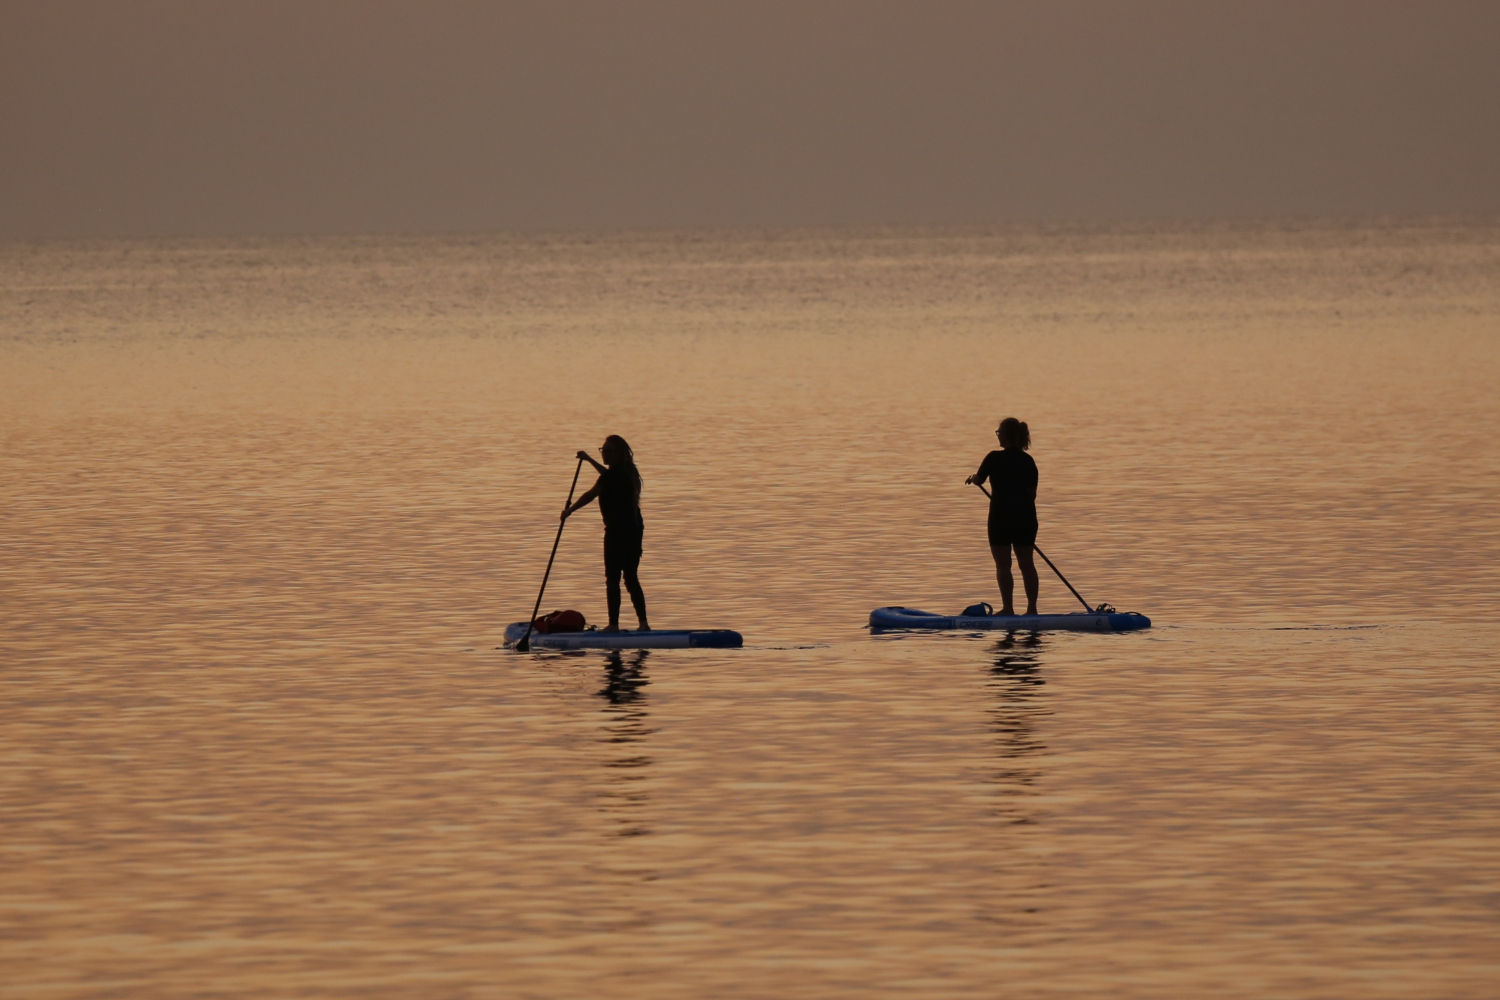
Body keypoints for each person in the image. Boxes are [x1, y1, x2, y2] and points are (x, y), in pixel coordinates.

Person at [562, 435, 650, 631]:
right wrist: (589, 460)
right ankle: (643, 624)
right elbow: (607, 475)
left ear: (619, 454)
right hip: (634, 532)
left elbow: (590, 495)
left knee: (613, 579)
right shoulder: (628, 473)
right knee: (630, 577)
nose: (605, 454)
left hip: (618, 533)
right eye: (603, 451)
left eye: (609, 451)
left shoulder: (611, 477)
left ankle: (614, 625)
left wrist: (570, 510)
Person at [965, 417, 1039, 616]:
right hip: (1025, 519)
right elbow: (1032, 495)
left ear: (1006, 436)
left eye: (999, 433)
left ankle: (1008, 608)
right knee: (1027, 564)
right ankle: (1032, 610)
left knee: (1003, 565)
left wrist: (973, 478)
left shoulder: (993, 458)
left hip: (1001, 519)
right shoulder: (1028, 461)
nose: (997, 436)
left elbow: (979, 479)